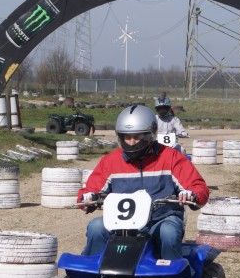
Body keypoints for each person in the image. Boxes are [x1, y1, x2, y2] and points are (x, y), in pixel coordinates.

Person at [78, 104, 209, 260]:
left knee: (168, 232)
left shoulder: (171, 158)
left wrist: (191, 194)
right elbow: (90, 189)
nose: (132, 142)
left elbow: (198, 187)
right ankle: (88, 271)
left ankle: (174, 273)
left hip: (161, 219)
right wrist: (87, 197)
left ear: (150, 134)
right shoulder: (110, 162)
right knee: (96, 227)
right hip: (121, 224)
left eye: (137, 136)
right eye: (127, 137)